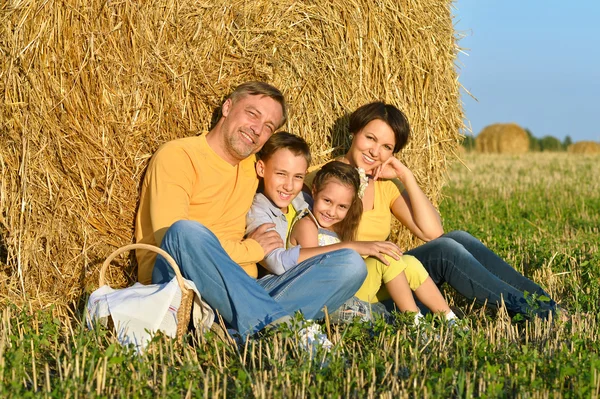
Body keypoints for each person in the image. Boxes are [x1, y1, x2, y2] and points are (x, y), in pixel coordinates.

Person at [134, 81, 367, 339]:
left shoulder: (254, 168)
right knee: (185, 231)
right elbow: (171, 242)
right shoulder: (179, 156)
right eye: (252, 114)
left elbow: (315, 186)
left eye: (268, 126)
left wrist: (367, 165)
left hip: (249, 290)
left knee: (351, 264)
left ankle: (239, 332)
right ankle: (281, 328)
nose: (257, 129)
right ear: (227, 107)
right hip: (183, 285)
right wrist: (252, 249)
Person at [305, 101, 559, 320]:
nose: (375, 151)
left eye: (387, 147)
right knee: (447, 251)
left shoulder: (383, 185)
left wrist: (407, 177)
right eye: (370, 138)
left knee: (457, 238)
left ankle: (544, 302)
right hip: (360, 288)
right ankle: (538, 312)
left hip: (390, 276)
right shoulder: (324, 182)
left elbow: (432, 232)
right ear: (354, 133)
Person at [290, 161, 460, 325]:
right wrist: (354, 248)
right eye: (327, 201)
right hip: (331, 296)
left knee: (409, 263)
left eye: (342, 206)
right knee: (385, 259)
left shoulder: (332, 228)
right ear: (314, 191)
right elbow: (311, 269)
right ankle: (414, 323)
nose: (332, 211)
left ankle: (450, 319)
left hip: (346, 289)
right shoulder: (307, 225)